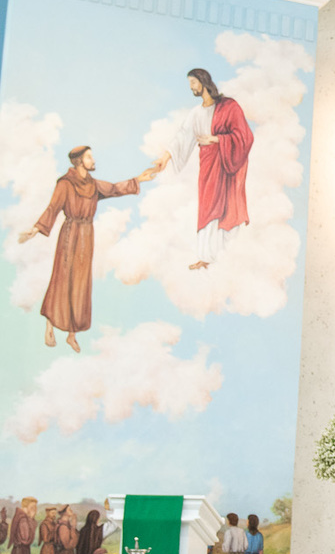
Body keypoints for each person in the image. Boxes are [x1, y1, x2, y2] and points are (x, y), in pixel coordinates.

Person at [19, 146, 159, 351]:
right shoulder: (65, 184)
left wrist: (139, 179)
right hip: (69, 235)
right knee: (62, 278)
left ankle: (71, 334)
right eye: (89, 157)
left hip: (86, 236)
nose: (93, 160)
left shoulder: (93, 185)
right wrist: (35, 229)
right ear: (79, 162)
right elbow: (53, 208)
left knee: (80, 284)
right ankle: (49, 325)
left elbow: (114, 188)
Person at [153, 69, 254, 271]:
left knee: (227, 207)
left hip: (227, 166)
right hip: (208, 167)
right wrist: (165, 158)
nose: (191, 87)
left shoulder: (229, 106)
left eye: (193, 82)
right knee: (208, 207)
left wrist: (217, 139)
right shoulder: (196, 113)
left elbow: (245, 136)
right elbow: (182, 136)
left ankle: (227, 257)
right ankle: (206, 257)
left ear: (203, 81)